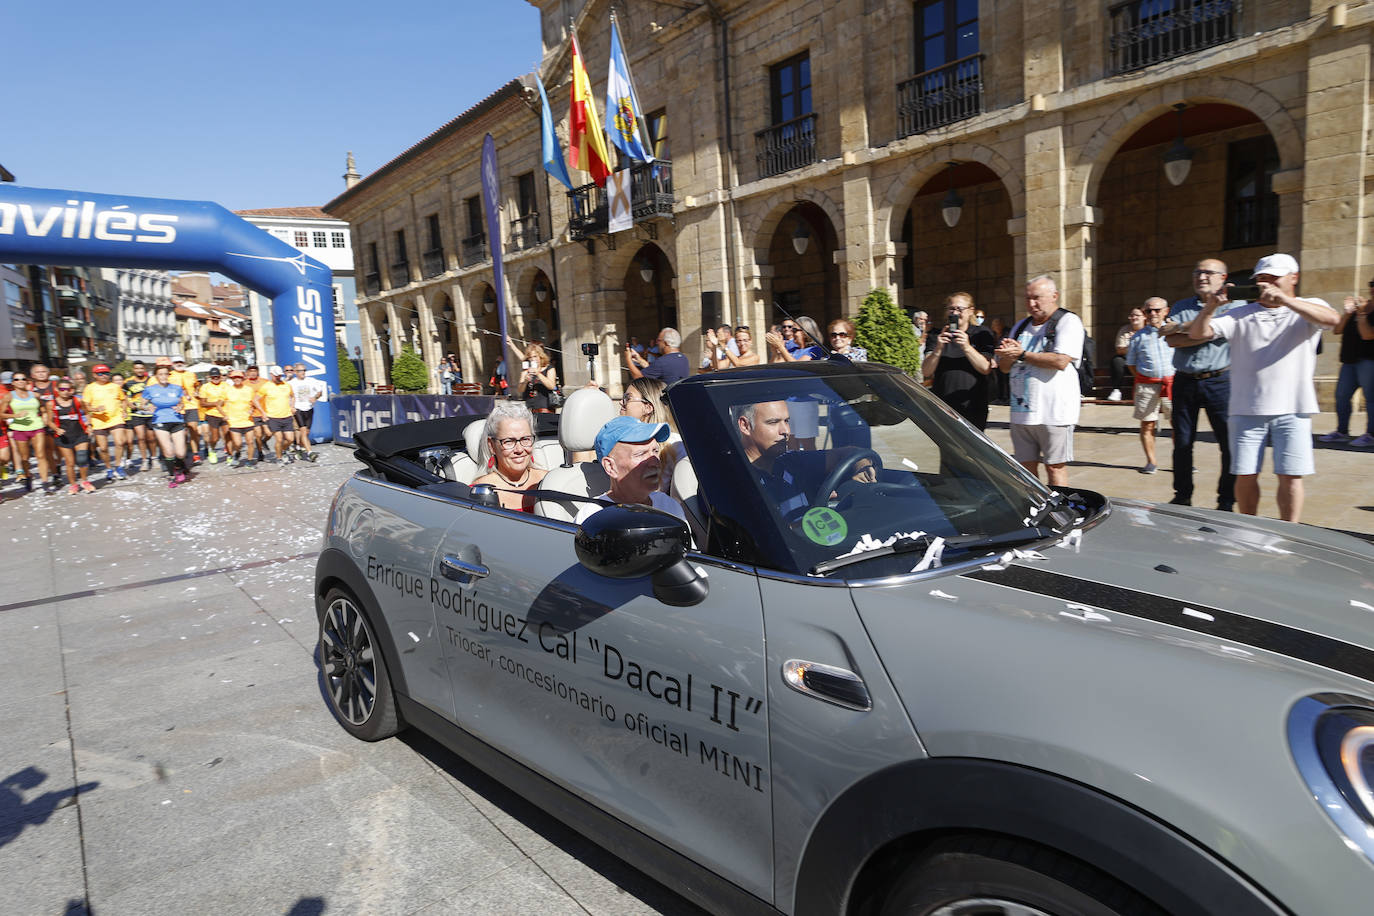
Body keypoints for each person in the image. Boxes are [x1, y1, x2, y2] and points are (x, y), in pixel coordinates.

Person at [1187, 253, 1337, 523]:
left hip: (1294, 407)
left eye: (1274, 278)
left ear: (1293, 278)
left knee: (1291, 475)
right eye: (1261, 279)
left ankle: (1290, 531)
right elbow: (1197, 333)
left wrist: (1286, 301)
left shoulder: (1308, 307)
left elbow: (1332, 320)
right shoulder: (1239, 314)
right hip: (1246, 408)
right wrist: (1210, 307)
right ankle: (1249, 528)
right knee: (1245, 474)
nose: (1266, 284)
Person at [1162, 258, 1239, 511]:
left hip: (1221, 381)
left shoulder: (1235, 305)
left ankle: (1226, 499)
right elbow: (1171, 340)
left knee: (1228, 443)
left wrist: (1185, 330)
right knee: (1182, 442)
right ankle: (1182, 495)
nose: (1201, 277)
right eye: (1197, 272)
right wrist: (1208, 331)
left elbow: (1179, 335)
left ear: (1223, 278)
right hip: (1185, 380)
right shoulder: (1182, 305)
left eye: (1208, 272)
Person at [995, 275, 1084, 486]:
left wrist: (1022, 354)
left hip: (1054, 412)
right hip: (1022, 412)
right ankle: (1035, 505)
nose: (1031, 304)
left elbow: (1061, 361)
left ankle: (1060, 506)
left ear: (1054, 296)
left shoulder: (1068, 321)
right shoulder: (1021, 326)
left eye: (1037, 298)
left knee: (1055, 467)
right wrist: (1007, 356)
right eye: (1028, 298)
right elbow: (1004, 368)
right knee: (1026, 469)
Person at [574, 416, 686, 525]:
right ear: (610, 466)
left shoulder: (668, 505)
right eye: (640, 454)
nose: (655, 462)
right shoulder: (592, 517)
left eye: (655, 451)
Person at [923, 292, 996, 430]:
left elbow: (985, 368)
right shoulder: (937, 335)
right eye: (951, 309)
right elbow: (926, 371)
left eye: (960, 309)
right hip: (943, 406)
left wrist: (967, 347)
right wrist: (938, 349)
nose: (955, 313)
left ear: (970, 311)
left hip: (973, 405)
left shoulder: (981, 334)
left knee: (973, 444)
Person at [1319, 284, 1374, 447]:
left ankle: (1371, 435)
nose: (1372, 289)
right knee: (1341, 396)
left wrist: (1361, 314)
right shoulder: (1360, 307)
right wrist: (1348, 313)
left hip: (1369, 360)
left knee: (1371, 399)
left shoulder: (1363, 310)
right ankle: (1341, 432)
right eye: (1372, 285)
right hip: (1349, 360)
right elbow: (1337, 330)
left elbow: (1367, 335)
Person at [1125, 298, 1175, 474]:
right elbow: (1131, 363)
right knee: (1147, 424)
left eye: (1157, 310)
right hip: (1147, 385)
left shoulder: (1175, 332)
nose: (1153, 314)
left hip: (1172, 384)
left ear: (1166, 311)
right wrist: (1145, 377)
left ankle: (1182, 461)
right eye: (1148, 311)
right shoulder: (1138, 337)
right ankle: (1151, 462)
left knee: (1178, 424)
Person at [470, 401, 548, 513]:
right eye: (509, 441)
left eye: (525, 439)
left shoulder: (549, 481)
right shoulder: (479, 492)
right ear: (491, 446)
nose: (519, 450)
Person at [0, 371, 54, 493]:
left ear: (27, 381)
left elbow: (43, 408)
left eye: (23, 379)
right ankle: (28, 476)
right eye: (17, 379)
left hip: (37, 427)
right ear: (13, 383)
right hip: (19, 428)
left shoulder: (35, 395)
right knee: (25, 458)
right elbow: (1, 414)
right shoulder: (9, 396)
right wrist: (15, 415)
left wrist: (45, 416)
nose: (20, 381)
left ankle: (45, 483)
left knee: (41, 455)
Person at [140, 364, 192, 487]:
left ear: (169, 375)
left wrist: (180, 407)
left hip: (176, 420)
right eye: (160, 374)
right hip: (160, 420)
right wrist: (147, 407)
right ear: (156, 376)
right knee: (168, 451)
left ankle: (178, 467)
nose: (163, 376)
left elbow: (181, 403)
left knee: (180, 453)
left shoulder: (176, 388)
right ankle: (172, 476)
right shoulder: (150, 389)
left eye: (165, 374)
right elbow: (142, 404)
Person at [44, 380, 95, 494]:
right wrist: (56, 429)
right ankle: (73, 485)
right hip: (63, 436)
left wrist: (89, 425)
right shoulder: (51, 404)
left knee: (82, 458)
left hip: (80, 433)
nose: (65, 392)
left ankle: (84, 481)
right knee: (70, 462)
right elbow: (49, 421)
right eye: (62, 389)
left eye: (68, 389)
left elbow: (87, 413)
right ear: (57, 390)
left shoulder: (77, 400)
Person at [82, 364, 129, 482]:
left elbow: (123, 399)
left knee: (120, 442)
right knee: (103, 448)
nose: (104, 376)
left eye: (106, 373)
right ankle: (109, 468)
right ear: (94, 375)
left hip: (115, 417)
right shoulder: (90, 388)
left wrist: (124, 411)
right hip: (99, 420)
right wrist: (95, 410)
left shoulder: (115, 386)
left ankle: (118, 466)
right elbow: (85, 406)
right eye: (100, 374)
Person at [253, 366, 297, 464]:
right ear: (271, 374)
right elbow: (255, 400)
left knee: (290, 439)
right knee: (279, 439)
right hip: (273, 417)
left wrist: (292, 406)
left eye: (280, 375)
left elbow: (293, 396)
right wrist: (263, 413)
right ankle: (279, 458)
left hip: (287, 416)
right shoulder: (266, 386)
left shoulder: (286, 385)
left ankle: (282, 450)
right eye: (276, 375)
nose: (278, 377)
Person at [508, 338, 559, 411]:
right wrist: (525, 381)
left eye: (535, 356)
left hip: (545, 407)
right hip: (529, 407)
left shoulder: (549, 368)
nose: (533, 359)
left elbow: (551, 386)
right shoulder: (526, 370)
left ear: (540, 356)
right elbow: (520, 390)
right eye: (530, 357)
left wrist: (538, 374)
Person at [122, 362, 156, 470]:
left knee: (151, 438)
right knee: (141, 437)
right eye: (137, 368)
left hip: (150, 412)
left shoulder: (151, 380)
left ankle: (154, 458)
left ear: (144, 369)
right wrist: (128, 405)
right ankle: (144, 460)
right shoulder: (128, 382)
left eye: (141, 368)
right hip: (136, 413)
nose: (139, 370)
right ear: (133, 370)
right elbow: (124, 396)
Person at [220, 369, 258, 467]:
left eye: (239, 377)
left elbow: (254, 402)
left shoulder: (249, 389)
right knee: (238, 443)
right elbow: (218, 405)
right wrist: (224, 415)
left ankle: (249, 461)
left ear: (242, 378)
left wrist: (252, 409)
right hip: (234, 421)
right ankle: (237, 452)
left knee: (250, 442)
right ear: (232, 379)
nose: (237, 379)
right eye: (234, 377)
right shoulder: (227, 390)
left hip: (248, 420)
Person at [169, 357, 204, 462]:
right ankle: (182, 453)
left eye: (181, 362)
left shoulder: (191, 374)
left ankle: (195, 454)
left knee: (193, 430)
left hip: (192, 405)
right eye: (176, 362)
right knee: (181, 432)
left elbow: (197, 385)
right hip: (177, 407)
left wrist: (197, 391)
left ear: (184, 363)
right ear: (173, 364)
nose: (179, 364)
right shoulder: (170, 375)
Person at [288, 363, 325, 460]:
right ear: (295, 372)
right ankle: (310, 452)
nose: (303, 372)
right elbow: (288, 396)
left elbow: (320, 392)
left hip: (309, 409)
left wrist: (315, 397)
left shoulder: (311, 381)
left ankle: (298, 447)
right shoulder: (291, 383)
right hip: (298, 409)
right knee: (303, 431)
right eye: (301, 371)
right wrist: (291, 407)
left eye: (304, 370)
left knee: (306, 432)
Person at [1110, 308, 1147, 401]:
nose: (1133, 317)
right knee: (1117, 360)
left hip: (1146, 362)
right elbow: (1120, 350)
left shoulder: (1149, 329)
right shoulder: (1124, 330)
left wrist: (1132, 346)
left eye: (1137, 315)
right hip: (1129, 361)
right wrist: (1134, 345)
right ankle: (1116, 390)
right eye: (1131, 315)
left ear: (1144, 317)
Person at [198, 367, 230, 463]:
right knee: (215, 437)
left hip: (225, 413)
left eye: (217, 376)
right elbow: (202, 403)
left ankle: (230, 454)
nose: (215, 378)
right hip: (212, 414)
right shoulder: (205, 387)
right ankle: (212, 449)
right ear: (210, 377)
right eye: (213, 377)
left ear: (220, 376)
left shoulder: (226, 385)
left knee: (227, 435)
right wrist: (215, 403)